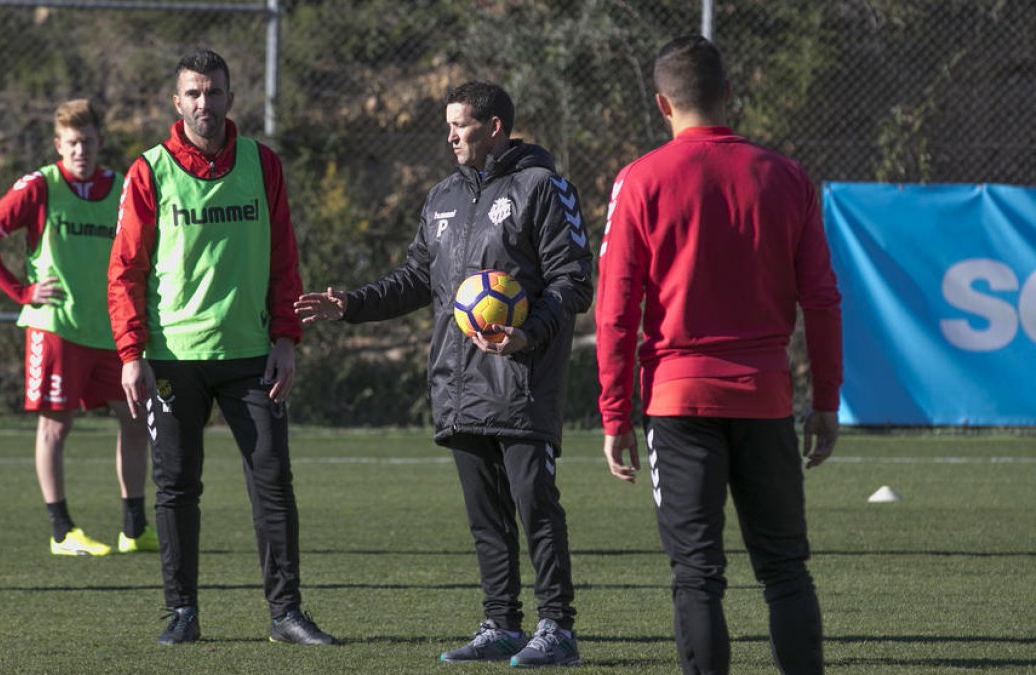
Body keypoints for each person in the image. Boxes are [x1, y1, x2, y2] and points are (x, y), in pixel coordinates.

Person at [295, 81, 592, 667]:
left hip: (521, 377)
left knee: (535, 501)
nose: (450, 135)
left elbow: (573, 281)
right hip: (459, 383)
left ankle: (556, 627)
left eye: (461, 124)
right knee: (485, 514)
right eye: (449, 124)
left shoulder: (542, 188)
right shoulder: (442, 197)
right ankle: (501, 624)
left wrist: (528, 332)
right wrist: (350, 304)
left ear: (495, 127)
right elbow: (414, 280)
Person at [594, 35, 842, 674]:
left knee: (697, 574)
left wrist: (615, 414)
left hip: (678, 403)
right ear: (728, 95)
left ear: (662, 103)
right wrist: (826, 402)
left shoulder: (640, 179)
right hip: (765, 398)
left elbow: (616, 309)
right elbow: (822, 299)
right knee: (785, 568)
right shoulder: (785, 177)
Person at [108, 48, 335, 647]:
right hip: (173, 360)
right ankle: (181, 612)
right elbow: (125, 271)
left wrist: (287, 337)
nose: (204, 104)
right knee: (177, 487)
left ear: (231, 98)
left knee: (272, 481)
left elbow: (284, 256)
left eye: (214, 93)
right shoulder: (148, 170)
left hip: (251, 354)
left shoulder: (262, 164)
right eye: (193, 94)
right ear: (176, 102)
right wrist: (132, 354)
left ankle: (286, 614)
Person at [0, 99, 154, 558]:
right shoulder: (41, 186)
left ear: (99, 143)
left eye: (88, 142)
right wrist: (21, 290)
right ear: (58, 145)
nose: (80, 151)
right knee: (56, 426)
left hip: (110, 329)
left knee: (134, 421)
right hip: (56, 329)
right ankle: (62, 530)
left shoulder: (122, 188)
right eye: (72, 143)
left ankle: (134, 528)